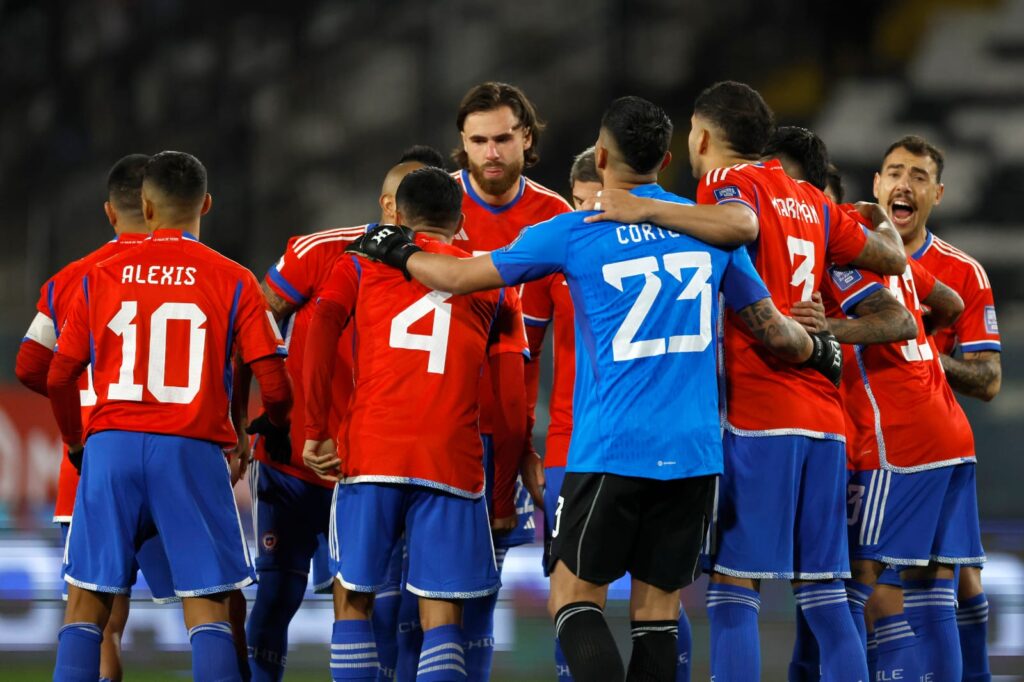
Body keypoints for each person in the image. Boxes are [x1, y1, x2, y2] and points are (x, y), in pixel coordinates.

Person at [347, 95, 843, 682]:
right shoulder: (707, 232)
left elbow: (455, 276)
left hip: (610, 447)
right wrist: (825, 349)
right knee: (657, 613)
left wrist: (398, 249)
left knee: (572, 598)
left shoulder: (575, 231)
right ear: (664, 157)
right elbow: (778, 334)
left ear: (600, 157)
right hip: (694, 454)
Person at [581, 82, 908, 682]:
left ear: (703, 138)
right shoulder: (812, 199)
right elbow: (893, 258)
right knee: (826, 595)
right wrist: (879, 218)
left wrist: (646, 207)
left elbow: (737, 225)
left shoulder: (727, 186)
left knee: (734, 593)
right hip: (826, 422)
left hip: (759, 412)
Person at [46, 151, 292, 682]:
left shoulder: (98, 275)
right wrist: (264, 426)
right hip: (190, 447)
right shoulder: (234, 278)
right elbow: (274, 380)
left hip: (109, 447)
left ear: (146, 206)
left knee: (86, 605)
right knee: (206, 607)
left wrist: (76, 441)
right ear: (205, 204)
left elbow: (58, 375)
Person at [301, 167, 522, 682]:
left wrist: (316, 429)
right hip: (451, 459)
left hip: (371, 452)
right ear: (461, 221)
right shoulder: (491, 280)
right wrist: (505, 492)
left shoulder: (356, 266)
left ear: (396, 215)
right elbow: (510, 401)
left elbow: (316, 338)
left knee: (354, 599)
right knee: (441, 615)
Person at [245, 145, 446, 682]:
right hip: (297, 462)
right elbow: (256, 321)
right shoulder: (324, 250)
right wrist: (266, 409)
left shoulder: (446, 266)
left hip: (374, 465)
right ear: (387, 204)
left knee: (386, 608)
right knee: (276, 593)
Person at [448, 80, 568, 680]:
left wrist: (536, 441)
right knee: (419, 597)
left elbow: (569, 345)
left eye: (502, 139)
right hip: (435, 430)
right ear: (462, 144)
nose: (490, 153)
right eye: (477, 141)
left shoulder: (556, 218)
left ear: (526, 136)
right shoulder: (433, 206)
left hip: (509, 431)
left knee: (483, 595)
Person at [872, 135, 1000, 681]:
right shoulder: (843, 255)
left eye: (919, 176)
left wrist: (920, 355)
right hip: (864, 442)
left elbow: (989, 381)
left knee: (933, 581)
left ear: (938, 194)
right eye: (894, 172)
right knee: (934, 583)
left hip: (925, 447)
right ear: (876, 185)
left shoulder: (963, 273)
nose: (904, 184)